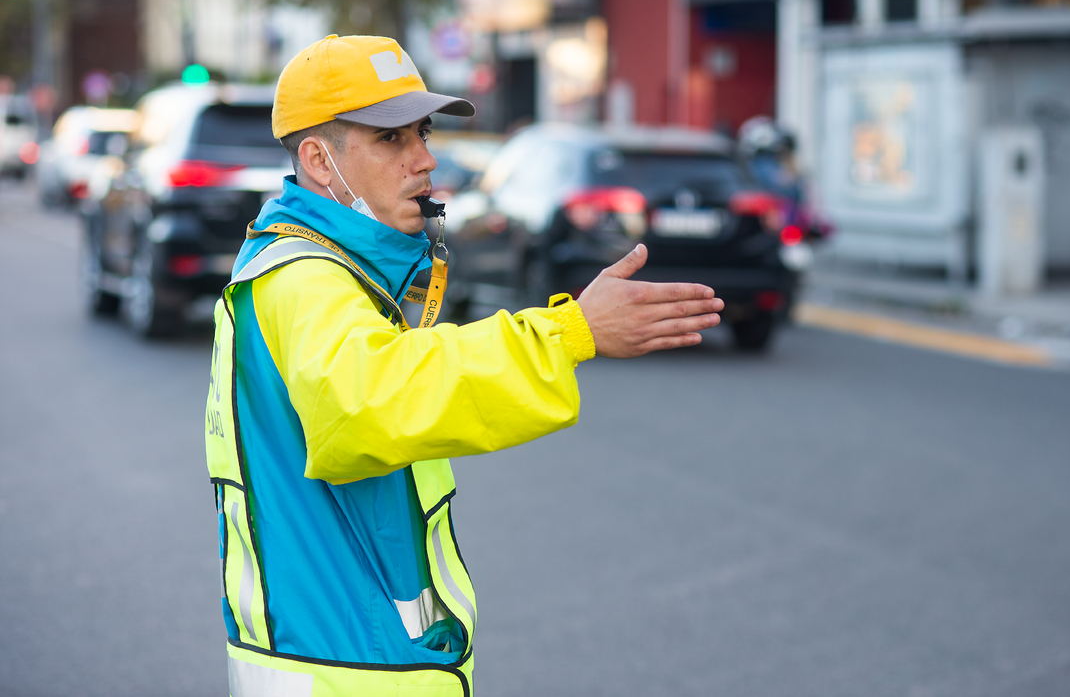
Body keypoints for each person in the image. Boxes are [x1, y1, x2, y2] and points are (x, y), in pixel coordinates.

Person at [206, 34, 723, 696]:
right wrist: (569, 332)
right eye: (392, 140)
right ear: (318, 160)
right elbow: (372, 400)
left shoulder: (317, 265)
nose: (425, 159)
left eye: (422, 133)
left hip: (346, 654)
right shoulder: (306, 277)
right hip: (342, 671)